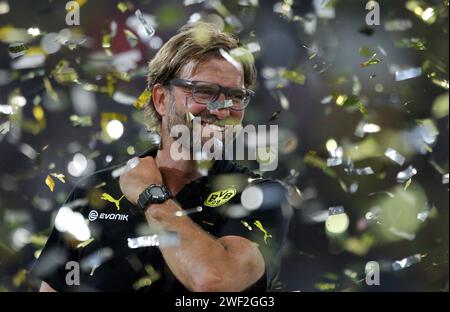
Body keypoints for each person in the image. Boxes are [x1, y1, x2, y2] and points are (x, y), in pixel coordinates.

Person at [31, 22, 294, 292]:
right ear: (160, 99)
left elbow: (216, 282)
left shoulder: (261, 197)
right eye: (204, 91)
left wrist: (151, 195)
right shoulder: (93, 192)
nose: (222, 109)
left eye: (235, 96)